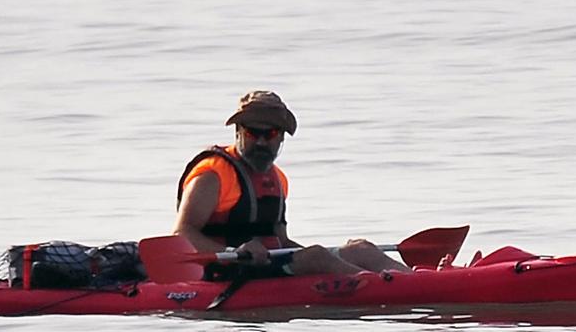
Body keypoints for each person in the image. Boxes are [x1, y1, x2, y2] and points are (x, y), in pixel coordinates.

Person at [174, 90, 406, 277]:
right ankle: (386, 287)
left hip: (267, 264)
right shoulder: (213, 175)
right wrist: (233, 252)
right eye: (254, 133)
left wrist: (329, 258)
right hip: (225, 269)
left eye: (272, 133)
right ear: (238, 132)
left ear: (282, 137)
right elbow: (182, 233)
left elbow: (281, 241)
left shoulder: (277, 179)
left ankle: (419, 278)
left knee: (361, 250)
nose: (263, 142)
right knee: (316, 256)